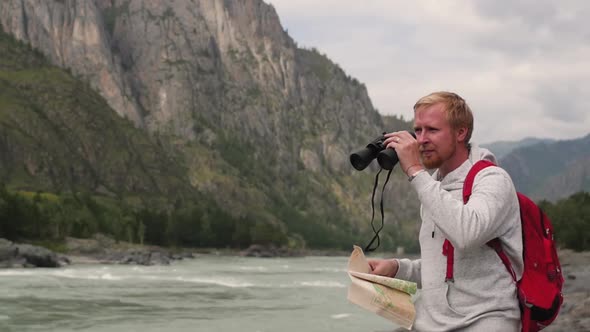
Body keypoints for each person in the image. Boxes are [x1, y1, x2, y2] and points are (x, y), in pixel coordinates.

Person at [368, 91, 524, 331]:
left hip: (484, 321)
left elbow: (466, 235)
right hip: (430, 323)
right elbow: (443, 268)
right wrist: (398, 268)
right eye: (417, 130)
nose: (421, 140)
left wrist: (414, 170)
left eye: (432, 130)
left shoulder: (493, 179)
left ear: (461, 132)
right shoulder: (435, 186)